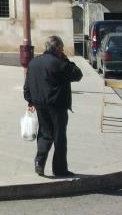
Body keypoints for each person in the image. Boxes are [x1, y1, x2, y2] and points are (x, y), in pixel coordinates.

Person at [23, 35, 83, 178]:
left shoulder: (33, 63)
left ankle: (39, 163)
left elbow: (27, 87)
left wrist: (30, 101)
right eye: (62, 49)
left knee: (44, 135)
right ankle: (60, 169)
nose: (63, 51)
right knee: (59, 137)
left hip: (40, 105)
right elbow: (77, 74)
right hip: (57, 105)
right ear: (57, 48)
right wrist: (65, 59)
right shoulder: (59, 63)